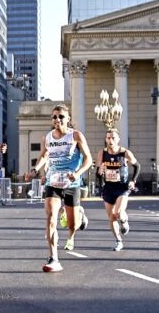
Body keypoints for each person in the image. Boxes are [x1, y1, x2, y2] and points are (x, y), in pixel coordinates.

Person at [24, 104, 93, 272]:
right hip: (53, 182)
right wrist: (34, 170)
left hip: (71, 184)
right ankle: (53, 258)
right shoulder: (47, 138)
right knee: (51, 219)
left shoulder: (75, 136)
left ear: (68, 118)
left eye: (61, 116)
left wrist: (77, 173)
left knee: (72, 224)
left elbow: (88, 159)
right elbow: (43, 156)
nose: (57, 119)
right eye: (54, 117)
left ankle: (77, 219)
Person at [96, 129, 139, 251]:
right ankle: (119, 241)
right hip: (108, 188)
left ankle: (124, 221)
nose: (111, 140)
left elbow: (137, 166)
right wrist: (100, 172)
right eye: (108, 138)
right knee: (112, 217)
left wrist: (133, 181)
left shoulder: (125, 153)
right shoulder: (102, 153)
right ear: (106, 139)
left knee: (118, 213)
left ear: (118, 139)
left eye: (113, 138)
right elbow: (98, 173)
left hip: (122, 187)